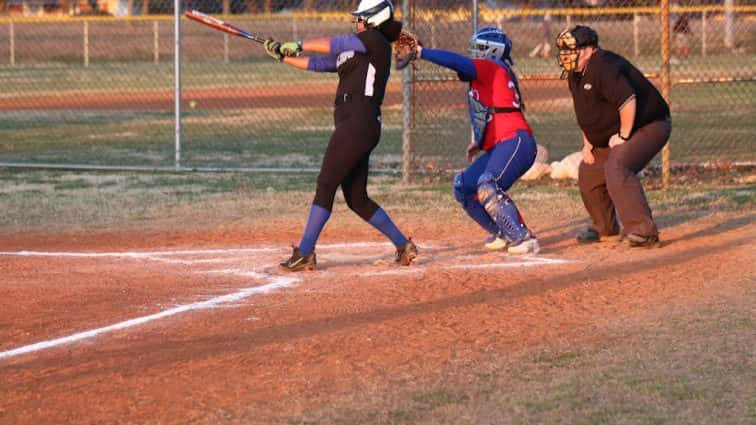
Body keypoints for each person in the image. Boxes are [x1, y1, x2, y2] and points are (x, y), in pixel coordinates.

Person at [263, 0, 417, 272]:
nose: (356, 22)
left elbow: (335, 43)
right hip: (355, 122)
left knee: (326, 183)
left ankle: (305, 252)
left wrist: (297, 43)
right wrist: (283, 56)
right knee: (357, 198)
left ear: (374, 19)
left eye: (361, 18)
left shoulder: (373, 39)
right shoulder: (357, 48)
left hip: (358, 120)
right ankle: (404, 245)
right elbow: (320, 63)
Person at [411, 26, 541, 254]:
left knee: (488, 184)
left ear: (493, 51)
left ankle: (523, 238)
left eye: (480, 49)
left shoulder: (493, 66)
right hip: (503, 143)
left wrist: (422, 52)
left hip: (516, 141)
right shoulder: (488, 75)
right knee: (464, 186)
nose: (475, 53)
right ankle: (503, 232)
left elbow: (457, 62)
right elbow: (489, 111)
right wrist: (479, 142)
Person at [555, 25, 671, 248]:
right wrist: (588, 143)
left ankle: (643, 231)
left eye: (571, 50)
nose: (565, 55)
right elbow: (585, 111)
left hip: (650, 124)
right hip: (620, 130)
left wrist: (624, 135)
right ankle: (606, 229)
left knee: (617, 166)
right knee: (589, 172)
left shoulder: (604, 66)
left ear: (589, 50)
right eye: (563, 50)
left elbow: (627, 100)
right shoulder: (575, 73)